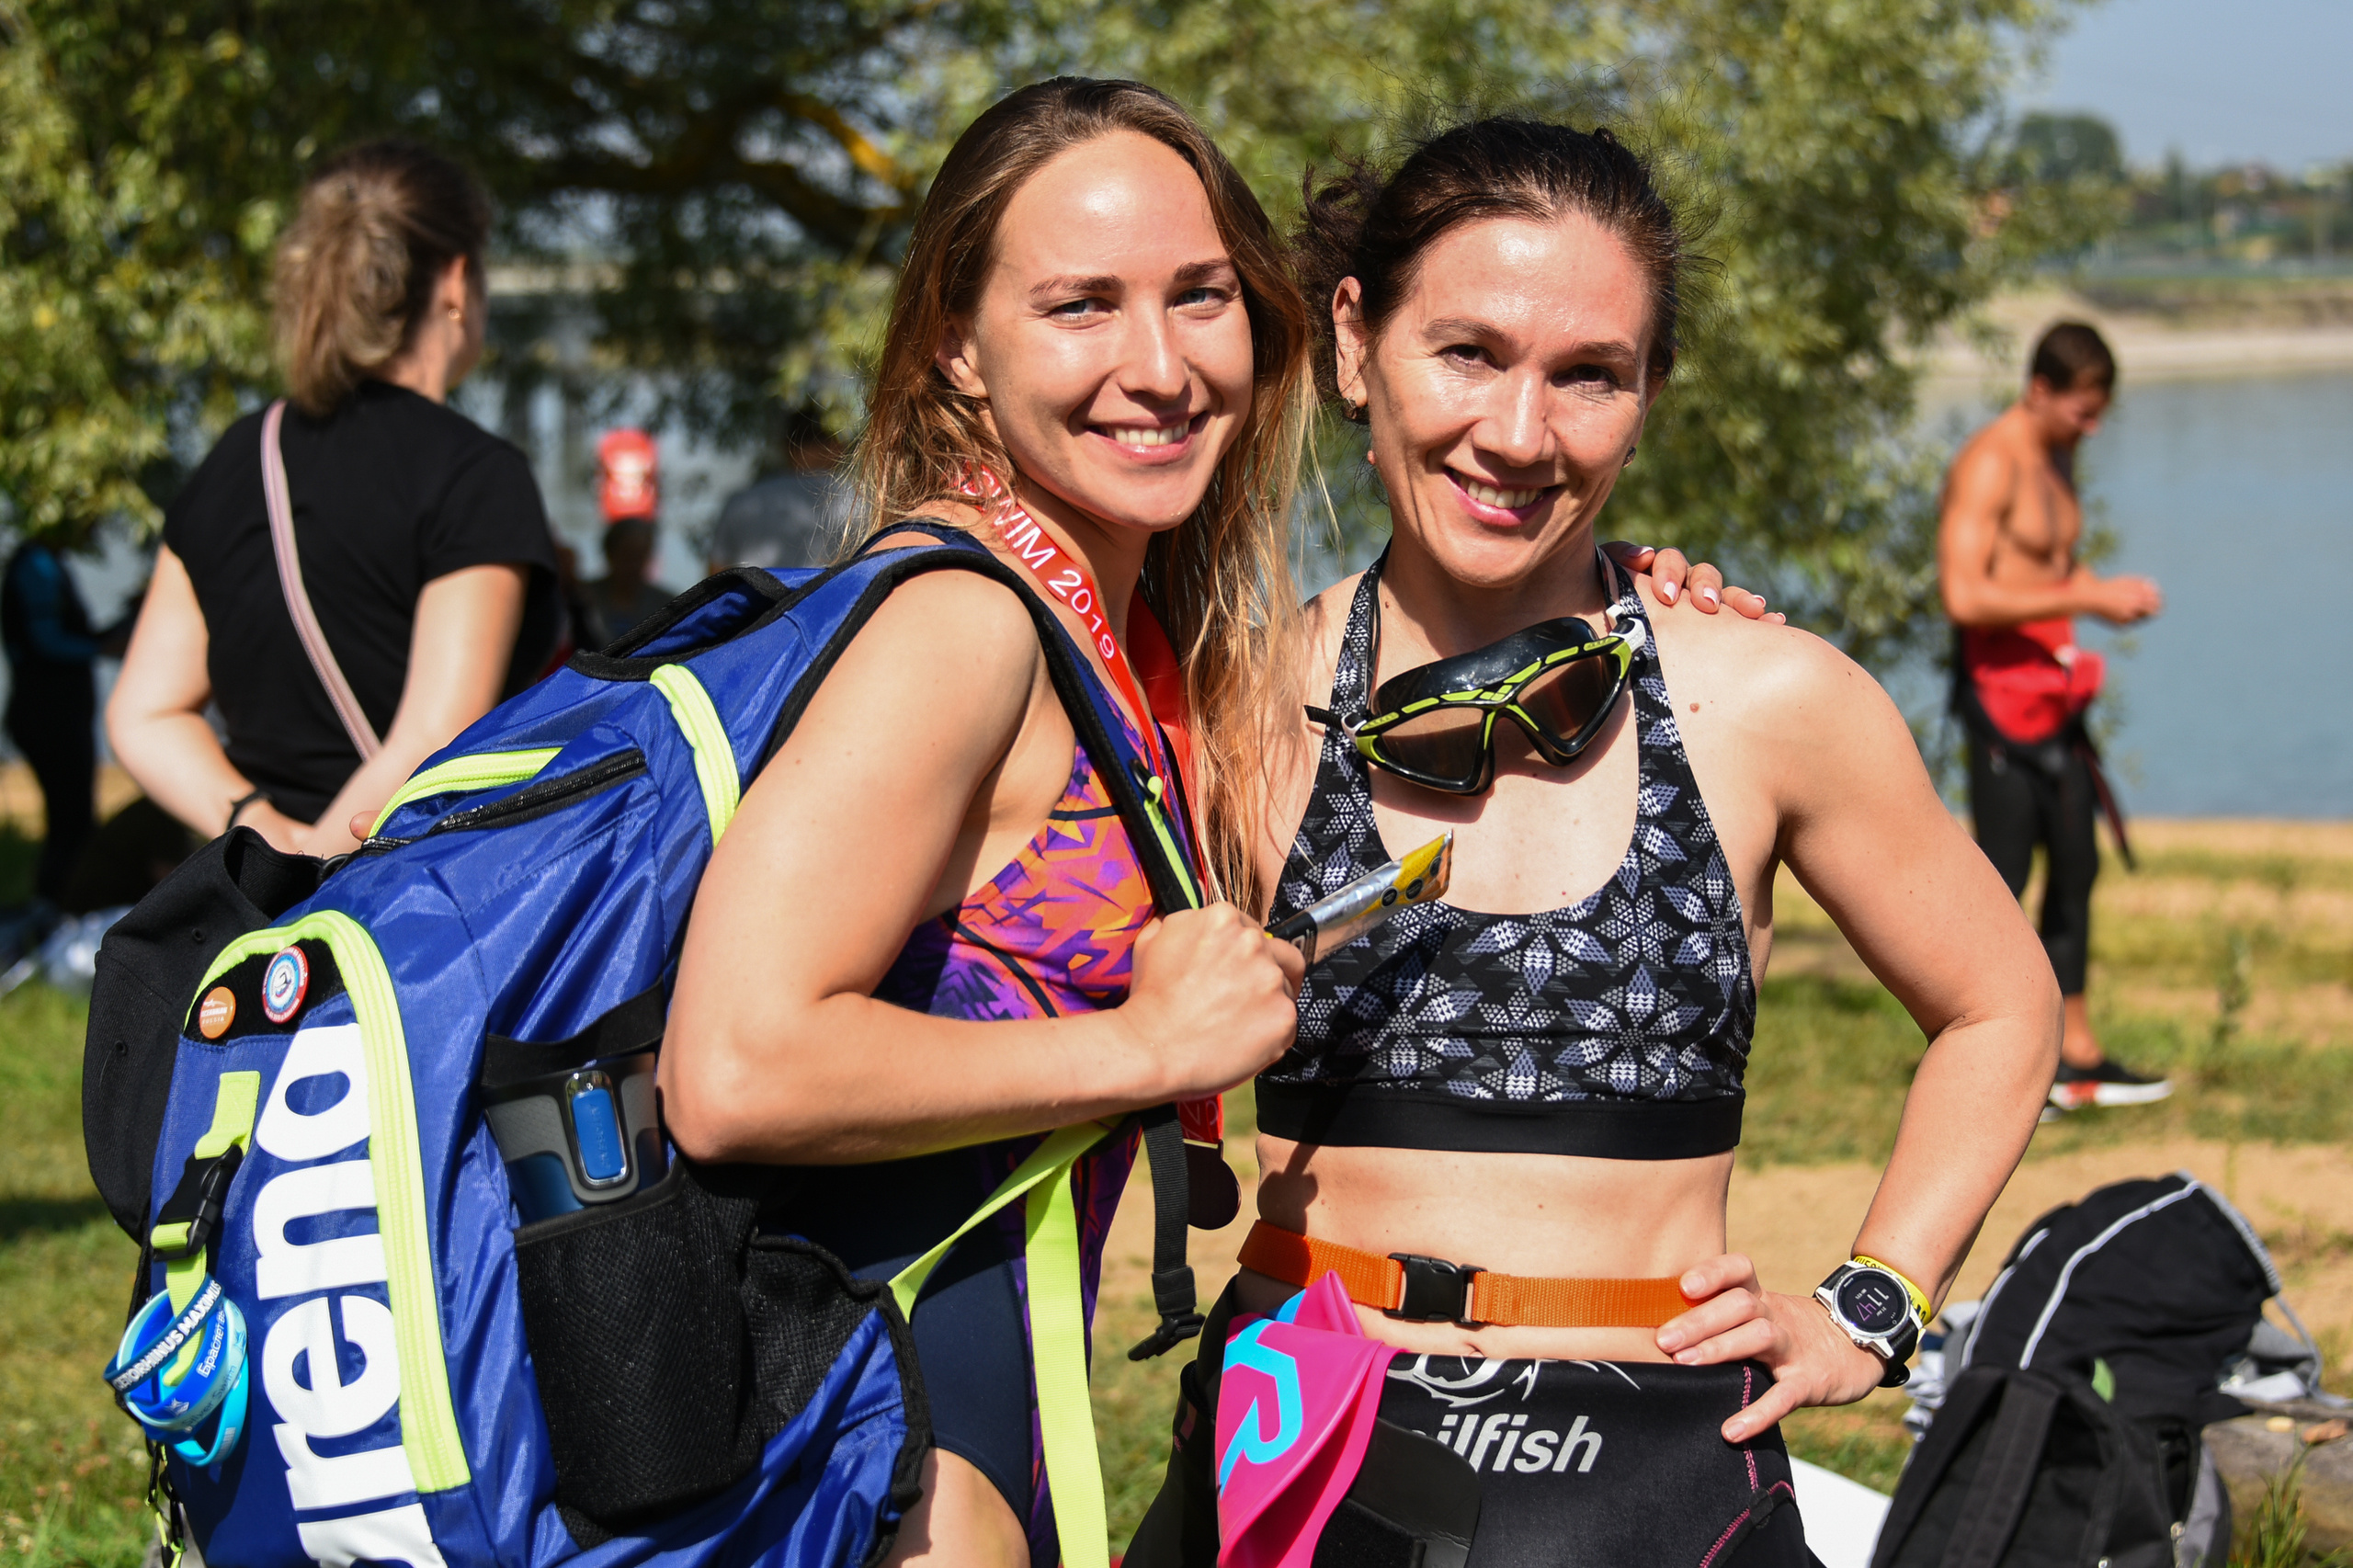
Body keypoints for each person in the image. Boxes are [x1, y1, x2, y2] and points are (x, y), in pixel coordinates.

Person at [1127, 119, 2062, 1567]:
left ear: (1648, 394)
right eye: (1470, 353)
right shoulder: (1236, 708)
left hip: (1649, 1480)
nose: (1519, 433)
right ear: (1357, 343)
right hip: (1301, 1449)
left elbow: (2001, 1003)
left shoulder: (1761, 696)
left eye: (1589, 377)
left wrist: (1873, 1304)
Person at [107, 140, 561, 861]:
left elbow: (144, 713)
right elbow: (431, 740)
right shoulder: (477, 475)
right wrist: (317, 872)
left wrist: (259, 831)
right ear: (455, 279)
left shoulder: (235, 461)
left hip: (262, 930)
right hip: (409, 908)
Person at [1938, 321, 2168, 1112]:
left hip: (2055, 699)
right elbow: (1964, 595)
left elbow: (2052, 563)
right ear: (2040, 390)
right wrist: (2086, 598)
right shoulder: (1989, 462)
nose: (2093, 427)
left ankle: (2079, 1053)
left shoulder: (2059, 454)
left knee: (2078, 869)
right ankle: (1996, 1067)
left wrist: (2104, 593)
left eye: (2100, 412)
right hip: (1998, 704)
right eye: (2082, 411)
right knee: (2003, 887)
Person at [2, 537, 105, 903]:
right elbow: (46, 640)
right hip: (48, 717)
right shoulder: (37, 564)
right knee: (70, 821)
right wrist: (102, 646)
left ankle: (62, 905)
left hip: (53, 715)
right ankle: (60, 908)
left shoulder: (47, 561)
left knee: (72, 819)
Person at [705, 406, 851, 574]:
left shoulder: (742, 503)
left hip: (755, 600)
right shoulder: (861, 505)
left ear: (787, 446)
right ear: (837, 446)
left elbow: (714, 579)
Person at [583, 426, 675, 646]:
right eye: (626, 556)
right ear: (610, 555)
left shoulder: (666, 604)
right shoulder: (583, 601)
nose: (632, 565)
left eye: (638, 557)